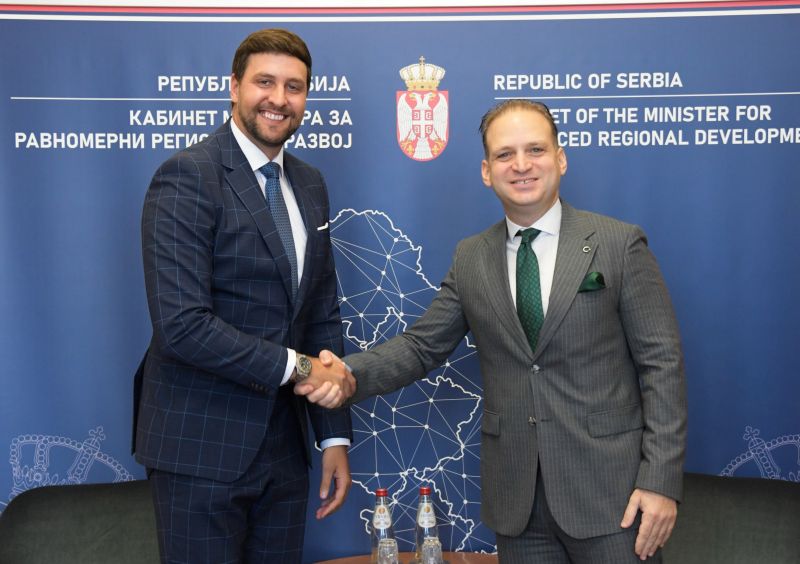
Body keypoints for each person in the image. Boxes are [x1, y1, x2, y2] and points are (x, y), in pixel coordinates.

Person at [301, 99, 687, 563]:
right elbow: (422, 347)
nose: (521, 165)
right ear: (487, 171)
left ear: (561, 158)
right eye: (505, 154)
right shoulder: (472, 257)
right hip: (518, 507)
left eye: (535, 150)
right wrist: (346, 375)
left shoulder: (618, 244)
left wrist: (660, 481)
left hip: (614, 500)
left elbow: (661, 365)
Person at [132, 28, 355, 564]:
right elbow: (183, 326)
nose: (279, 98)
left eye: (294, 87)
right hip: (200, 447)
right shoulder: (188, 175)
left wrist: (333, 438)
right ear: (234, 87)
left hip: (285, 451)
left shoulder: (310, 183)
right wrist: (303, 369)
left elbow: (320, 313)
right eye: (264, 82)